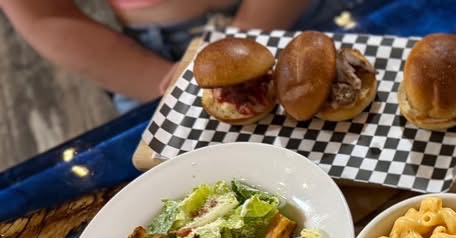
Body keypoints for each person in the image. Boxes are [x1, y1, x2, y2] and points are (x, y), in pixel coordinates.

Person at [0, 0, 315, 112]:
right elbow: (45, 17)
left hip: (294, 12)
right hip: (153, 60)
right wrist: (161, 85)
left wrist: (243, 37)